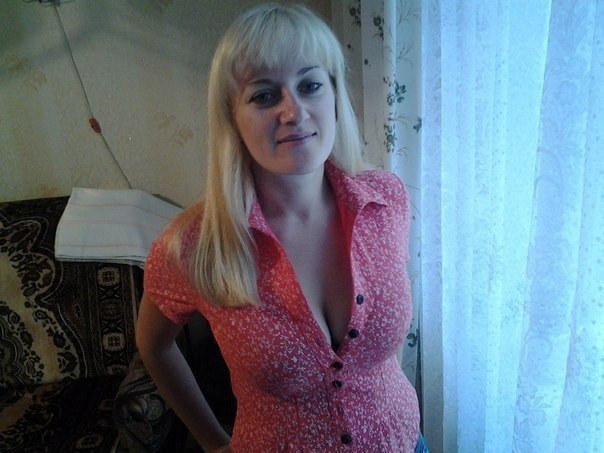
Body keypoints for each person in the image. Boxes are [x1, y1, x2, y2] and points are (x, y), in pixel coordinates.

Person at [136, 3, 428, 452]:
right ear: (232, 118)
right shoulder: (192, 245)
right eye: (264, 96)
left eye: (310, 86)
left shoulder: (386, 200)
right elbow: (154, 347)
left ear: (334, 96)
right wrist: (212, 442)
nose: (294, 112)